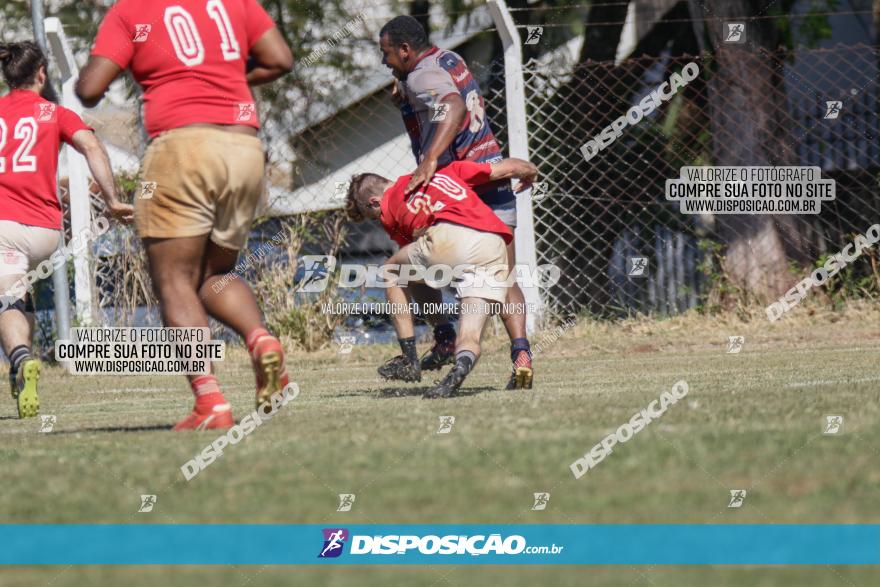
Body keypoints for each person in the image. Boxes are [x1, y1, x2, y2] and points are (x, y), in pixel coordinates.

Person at [75, 0, 294, 430]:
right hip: (245, 148)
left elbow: (90, 89)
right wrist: (231, 80)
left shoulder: (130, 11)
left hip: (182, 146)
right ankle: (262, 340)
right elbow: (280, 59)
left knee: (173, 280)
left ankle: (210, 402)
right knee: (215, 276)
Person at [378, 15, 535, 390]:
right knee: (503, 276)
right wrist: (406, 103)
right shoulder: (448, 59)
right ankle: (521, 354)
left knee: (407, 262)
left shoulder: (420, 76)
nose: (384, 62)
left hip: (457, 189)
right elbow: (449, 99)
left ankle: (446, 337)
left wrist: (431, 157)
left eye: (386, 54)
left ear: (405, 50)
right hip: (490, 174)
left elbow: (452, 104)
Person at [0, 41, 133, 418]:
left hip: (3, 227)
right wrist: (112, 200)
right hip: (45, 231)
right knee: (17, 292)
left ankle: (21, 356)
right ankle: (23, 360)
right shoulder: (54, 113)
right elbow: (92, 147)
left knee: (7, 295)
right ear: (41, 74)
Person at [345, 157, 538, 398]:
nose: (379, 219)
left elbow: (417, 272)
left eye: (374, 215)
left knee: (393, 272)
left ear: (374, 202)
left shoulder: (389, 208)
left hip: (449, 236)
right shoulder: (450, 171)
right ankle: (499, 358)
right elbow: (510, 168)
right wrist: (530, 173)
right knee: (469, 335)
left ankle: (411, 357)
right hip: (493, 243)